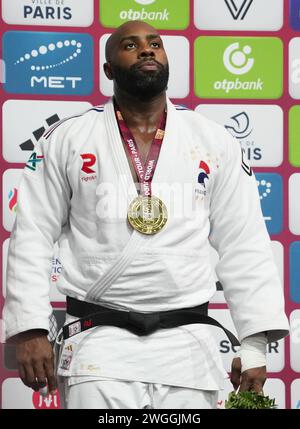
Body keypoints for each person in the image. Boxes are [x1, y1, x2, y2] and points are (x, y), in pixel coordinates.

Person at [4, 20, 289, 409]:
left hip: (188, 348)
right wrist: (30, 329)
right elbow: (32, 234)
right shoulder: (68, 139)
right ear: (108, 69)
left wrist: (254, 345)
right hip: (98, 345)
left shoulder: (212, 140)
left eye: (155, 43)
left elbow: (245, 243)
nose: (146, 50)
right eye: (130, 45)